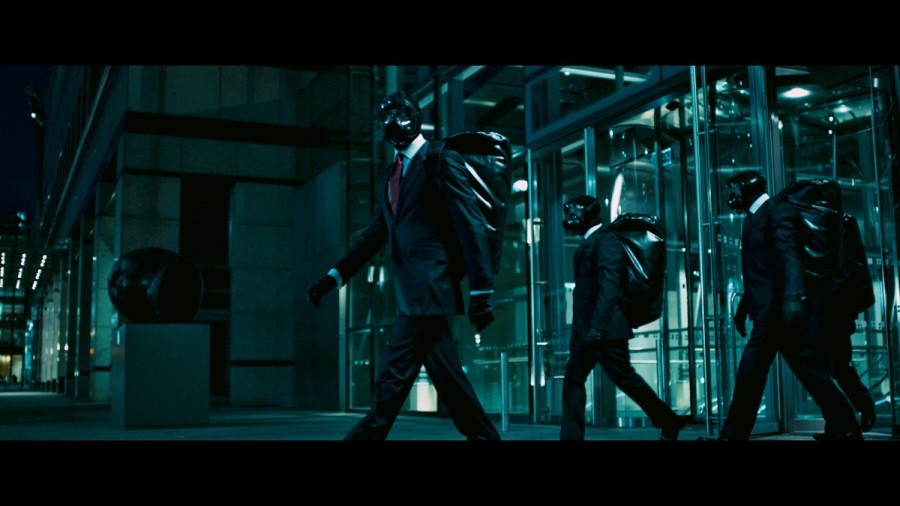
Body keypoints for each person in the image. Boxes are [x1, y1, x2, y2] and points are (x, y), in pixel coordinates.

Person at [306, 90, 500, 441]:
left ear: (414, 118)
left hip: (431, 289)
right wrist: (334, 277)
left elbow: (470, 224)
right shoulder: (390, 174)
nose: (392, 123)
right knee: (449, 384)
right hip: (411, 293)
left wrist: (481, 291)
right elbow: (374, 234)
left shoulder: (441, 159)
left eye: (399, 115)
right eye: (386, 118)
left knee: (392, 382)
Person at [722, 170, 862, 441]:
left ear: (748, 187)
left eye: (734, 189)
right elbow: (763, 269)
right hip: (772, 311)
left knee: (751, 373)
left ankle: (732, 436)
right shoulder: (755, 216)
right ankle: (844, 426)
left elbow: (789, 257)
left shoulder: (776, 210)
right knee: (808, 371)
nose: (731, 195)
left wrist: (792, 300)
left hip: (777, 313)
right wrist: (744, 308)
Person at [559, 195, 685, 441]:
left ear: (588, 215)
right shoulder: (589, 242)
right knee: (573, 381)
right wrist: (582, 332)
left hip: (605, 330)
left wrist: (597, 327)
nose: (570, 219)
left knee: (626, 380)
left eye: (574, 213)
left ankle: (668, 420)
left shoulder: (606, 240)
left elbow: (609, 287)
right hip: (588, 332)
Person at [810, 214, 876, 437]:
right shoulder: (831, 224)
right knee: (830, 367)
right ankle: (841, 421)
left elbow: (852, 267)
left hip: (834, 307)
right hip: (827, 307)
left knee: (836, 366)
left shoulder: (840, 224)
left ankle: (857, 409)